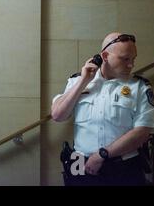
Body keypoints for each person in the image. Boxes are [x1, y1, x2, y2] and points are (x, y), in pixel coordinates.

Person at [52, 32, 154, 186]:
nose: (131, 64)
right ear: (105, 56)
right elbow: (57, 115)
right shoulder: (77, 81)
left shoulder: (140, 87)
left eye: (133, 59)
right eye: (125, 59)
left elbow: (142, 132)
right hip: (78, 161)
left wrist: (102, 155)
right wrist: (83, 81)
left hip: (123, 166)